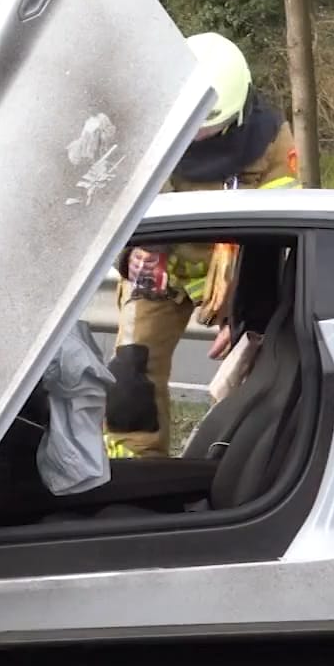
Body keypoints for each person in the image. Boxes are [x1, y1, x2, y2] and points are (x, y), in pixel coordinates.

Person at [104, 32, 297, 459]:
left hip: (232, 273)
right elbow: (113, 204)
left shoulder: (270, 142)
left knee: (259, 375)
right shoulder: (144, 132)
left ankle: (242, 463)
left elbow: (275, 235)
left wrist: (249, 313)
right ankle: (134, 473)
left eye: (211, 127)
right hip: (160, 269)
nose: (199, 137)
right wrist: (132, 252)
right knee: (130, 378)